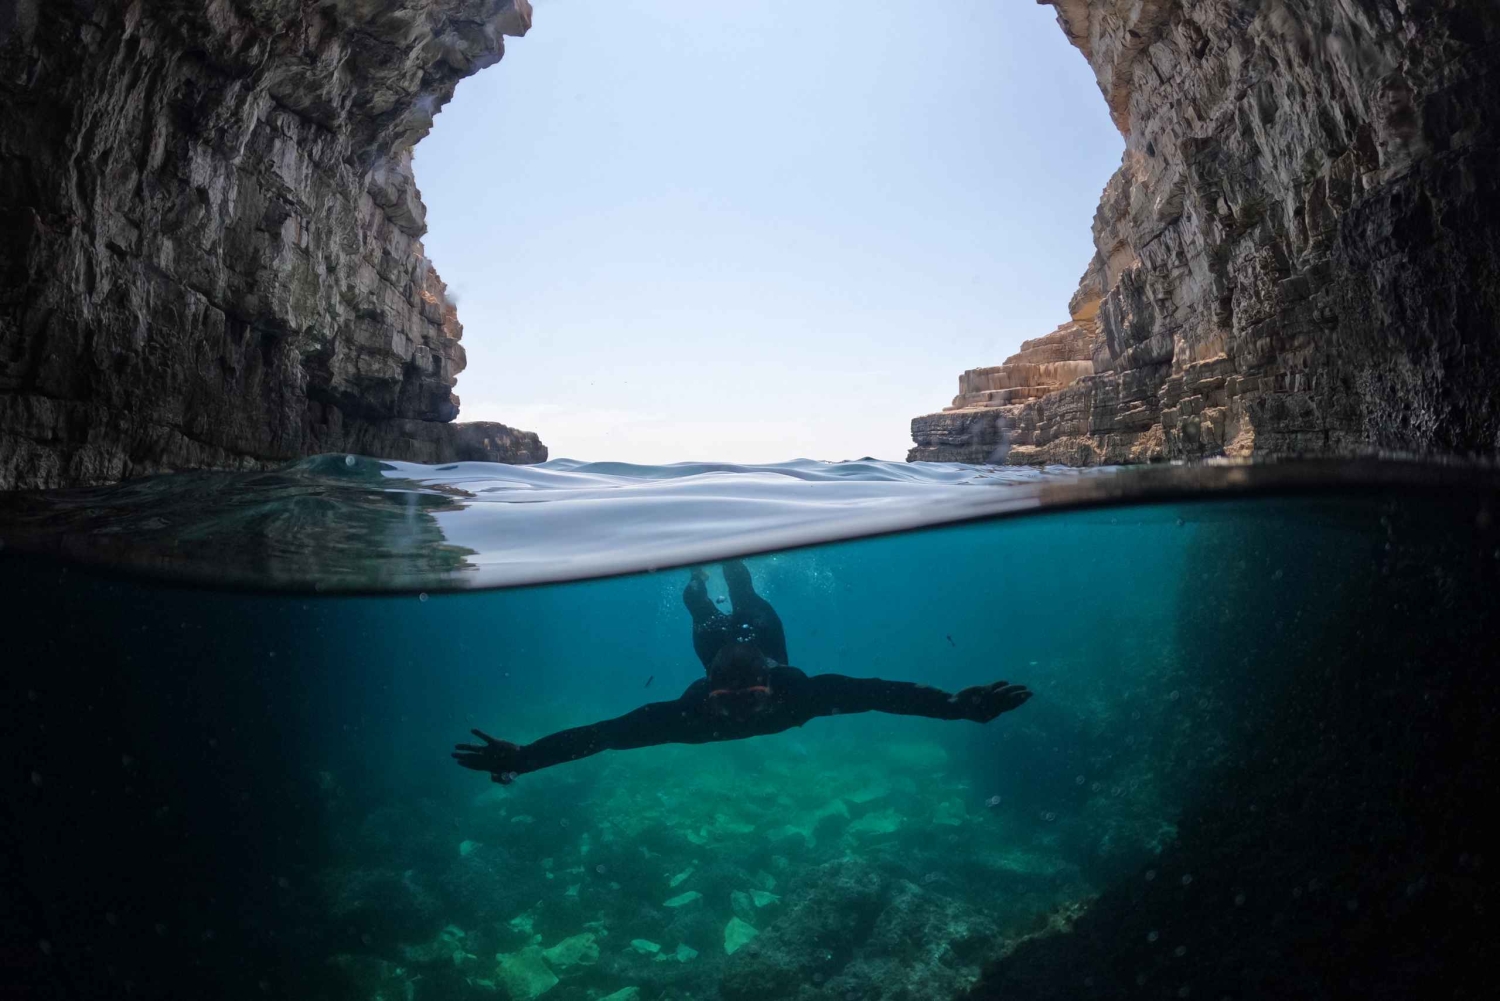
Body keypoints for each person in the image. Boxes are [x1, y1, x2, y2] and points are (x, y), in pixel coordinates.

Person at [453, 561, 1031, 784]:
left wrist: (957, 707)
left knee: (747, 595)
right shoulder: (689, 714)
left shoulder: (795, 693)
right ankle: (697, 581)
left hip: (761, 636)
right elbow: (602, 737)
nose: (739, 712)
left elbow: (882, 694)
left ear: (770, 683)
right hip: (718, 645)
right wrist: (525, 759)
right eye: (730, 701)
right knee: (699, 610)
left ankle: (731, 563)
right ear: (707, 691)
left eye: (749, 697)